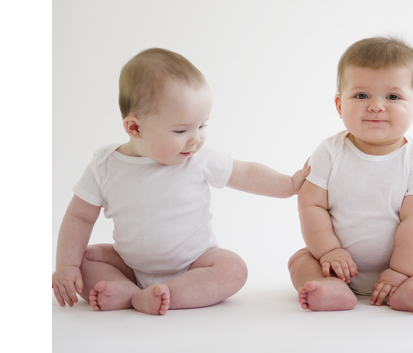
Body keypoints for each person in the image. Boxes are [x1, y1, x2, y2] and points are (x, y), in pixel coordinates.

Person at [51, 48, 309, 315]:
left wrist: (289, 185)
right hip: (129, 265)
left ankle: (168, 294)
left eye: (201, 126)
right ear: (135, 128)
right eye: (181, 130)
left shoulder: (198, 159)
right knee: (83, 260)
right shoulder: (105, 165)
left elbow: (245, 174)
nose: (195, 138)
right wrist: (66, 267)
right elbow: (79, 217)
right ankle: (126, 290)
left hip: (194, 264)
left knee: (233, 269)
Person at [287, 36, 413, 314]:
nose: (376, 106)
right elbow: (310, 204)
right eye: (361, 95)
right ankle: (332, 289)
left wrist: (401, 271)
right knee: (300, 260)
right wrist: (328, 251)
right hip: (336, 264)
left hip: (403, 266)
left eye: (393, 96)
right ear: (340, 105)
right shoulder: (329, 151)